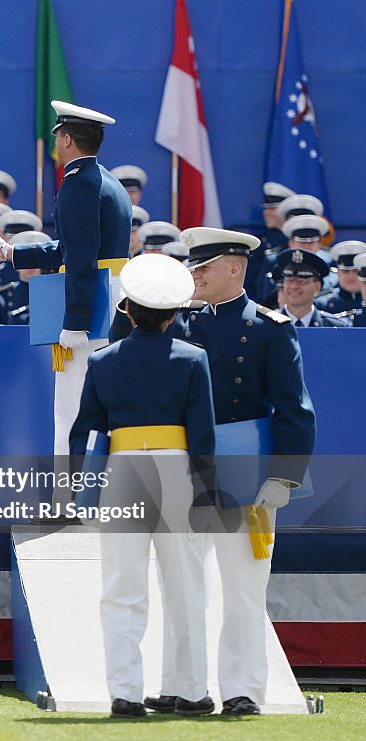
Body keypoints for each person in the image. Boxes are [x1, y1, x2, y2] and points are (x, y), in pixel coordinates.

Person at [143, 227, 316, 716]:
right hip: (183, 465)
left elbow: (295, 409)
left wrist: (283, 477)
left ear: (235, 268)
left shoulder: (269, 327)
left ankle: (242, 690)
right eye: (191, 266)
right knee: (179, 582)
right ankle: (183, 686)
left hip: (245, 469)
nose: (193, 274)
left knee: (243, 586)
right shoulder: (175, 324)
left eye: (204, 266)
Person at [71, 253, 215, 719]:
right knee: (186, 584)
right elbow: (203, 435)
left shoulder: (104, 360)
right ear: (175, 314)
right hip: (178, 471)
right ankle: (192, 691)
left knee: (121, 587)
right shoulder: (194, 359)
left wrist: (78, 486)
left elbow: (85, 429)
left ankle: (126, 694)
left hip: (123, 471)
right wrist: (208, 490)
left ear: (127, 309)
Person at [0, 101, 131, 468]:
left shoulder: (79, 184)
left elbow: (80, 258)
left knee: (73, 408)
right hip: (109, 295)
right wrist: (14, 254)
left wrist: (75, 320)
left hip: (91, 304)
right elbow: (72, 249)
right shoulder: (108, 181)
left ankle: (69, 502)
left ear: (67, 139)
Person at [273, 249, 349, 327]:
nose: (294, 286)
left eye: (302, 281)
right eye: (289, 281)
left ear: (317, 287)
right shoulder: (267, 326)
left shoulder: (335, 327)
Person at [316, 241, 365, 314]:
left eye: (356, 271)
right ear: (338, 273)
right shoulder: (321, 305)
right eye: (345, 271)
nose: (350, 276)